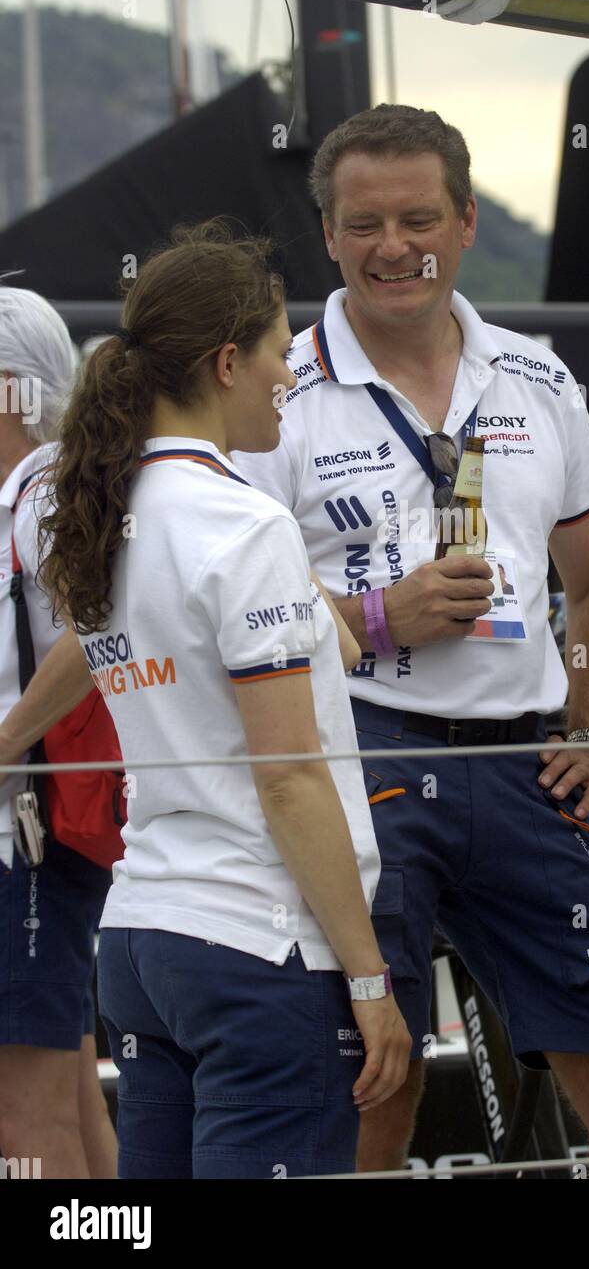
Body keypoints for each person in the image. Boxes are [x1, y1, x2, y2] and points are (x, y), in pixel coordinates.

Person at [234, 104, 589, 1175]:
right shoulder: (273, 394)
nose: (394, 246)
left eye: (418, 217)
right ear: (328, 237)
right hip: (360, 754)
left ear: (467, 219)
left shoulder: (537, 376)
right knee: (371, 1092)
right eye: (365, 224)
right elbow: (234, 623)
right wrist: (381, 616)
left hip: (518, 762)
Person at [31, 222, 410, 1179]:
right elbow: (287, 779)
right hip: (259, 945)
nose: (294, 377)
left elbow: (331, 634)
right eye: (283, 354)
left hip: (142, 939)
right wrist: (370, 979)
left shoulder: (112, 517)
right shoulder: (243, 524)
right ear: (228, 361)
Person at [0, 286, 117, 1179]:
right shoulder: (32, 490)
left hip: (26, 844)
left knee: (26, 1127)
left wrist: (6, 742)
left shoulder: (40, 491)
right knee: (70, 1101)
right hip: (38, 840)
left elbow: (101, 629)